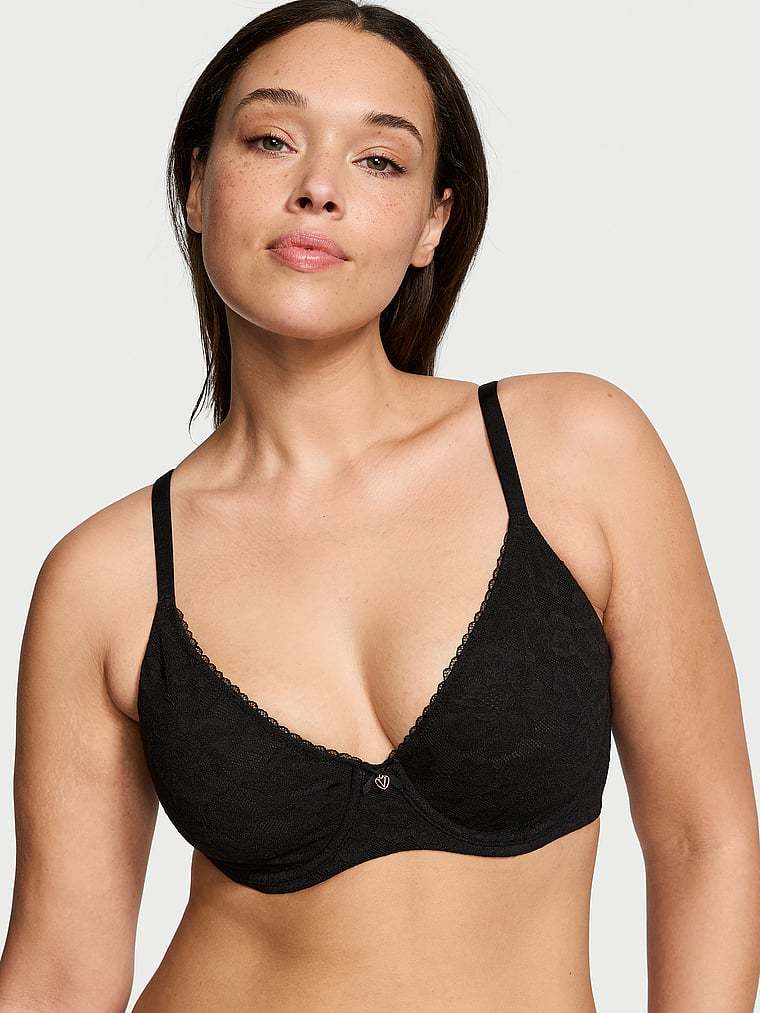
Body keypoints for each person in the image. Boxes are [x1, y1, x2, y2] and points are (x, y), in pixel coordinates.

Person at [2, 2, 759, 1010]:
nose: (318, 188)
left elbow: (703, 837)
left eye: (378, 161)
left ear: (433, 222)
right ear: (195, 186)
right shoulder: (106, 577)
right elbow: (59, 969)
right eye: (271, 140)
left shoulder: (574, 452)